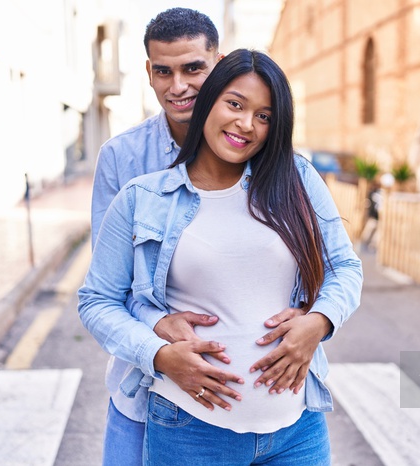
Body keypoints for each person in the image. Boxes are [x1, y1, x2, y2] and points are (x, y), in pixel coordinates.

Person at [79, 49, 363, 465]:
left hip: (297, 429)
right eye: (235, 104)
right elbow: (97, 301)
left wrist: (319, 322)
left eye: (264, 116)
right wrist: (157, 354)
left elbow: (346, 268)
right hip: (189, 429)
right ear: (209, 100)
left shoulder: (297, 179)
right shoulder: (143, 198)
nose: (246, 124)